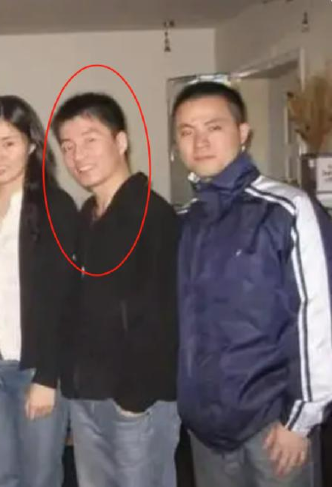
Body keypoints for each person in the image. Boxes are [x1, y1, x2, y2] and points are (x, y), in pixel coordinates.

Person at [173, 81, 332, 487]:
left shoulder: (286, 209)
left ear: (243, 133)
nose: (200, 142)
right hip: (206, 431)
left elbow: (318, 316)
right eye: (187, 131)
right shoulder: (188, 221)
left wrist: (301, 419)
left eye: (214, 127)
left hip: (272, 428)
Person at [0, 95, 78, 487]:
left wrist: (48, 377)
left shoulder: (55, 207)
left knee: (40, 477)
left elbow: (65, 299)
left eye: (9, 143)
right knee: (1, 475)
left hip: (33, 368)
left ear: (32, 145)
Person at [53, 92, 181, 487]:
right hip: (88, 394)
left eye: (90, 140)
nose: (78, 156)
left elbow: (165, 317)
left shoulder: (152, 216)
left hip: (134, 402)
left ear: (121, 141)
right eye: (68, 146)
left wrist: (133, 401)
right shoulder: (87, 216)